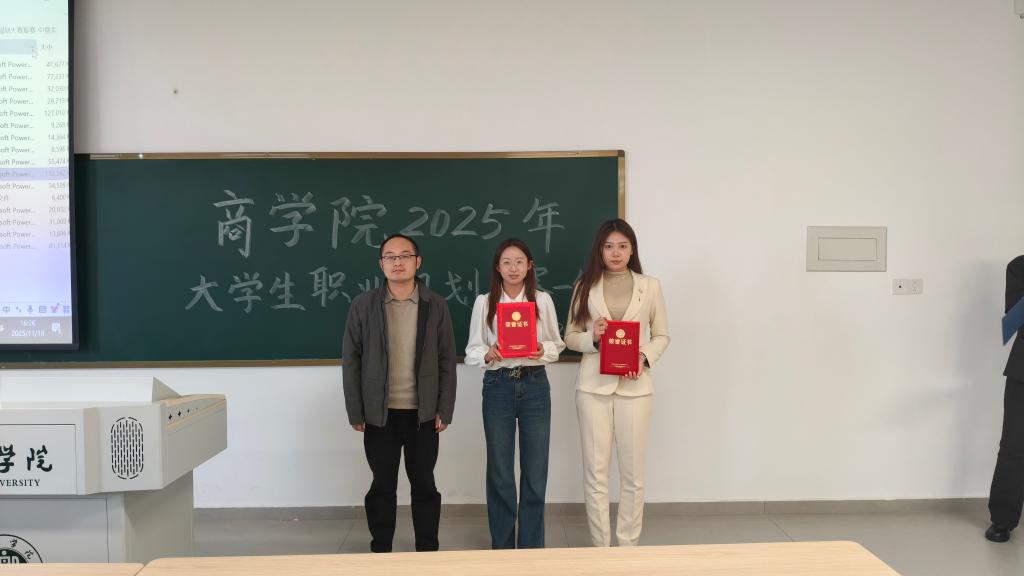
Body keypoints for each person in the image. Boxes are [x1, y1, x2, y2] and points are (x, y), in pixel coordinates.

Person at [342, 233, 457, 552]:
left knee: (424, 484)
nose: (397, 262)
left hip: (423, 413)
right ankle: (381, 548)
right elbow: (351, 361)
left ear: (417, 262)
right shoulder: (364, 305)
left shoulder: (435, 304)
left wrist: (445, 408)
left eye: (404, 256)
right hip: (379, 413)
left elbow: (447, 360)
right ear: (381, 264)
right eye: (390, 257)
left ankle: (427, 549)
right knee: (382, 484)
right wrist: (355, 411)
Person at [564, 218, 670, 547]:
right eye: (609, 246)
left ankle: (627, 547)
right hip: (593, 389)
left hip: (635, 390)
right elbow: (570, 336)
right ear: (600, 250)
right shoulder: (584, 286)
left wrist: (643, 358)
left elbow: (662, 335)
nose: (616, 252)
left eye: (623, 246)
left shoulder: (650, 286)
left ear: (632, 250)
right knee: (596, 473)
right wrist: (592, 338)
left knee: (632, 474)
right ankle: (601, 548)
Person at [465, 238, 565, 548]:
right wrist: (488, 353)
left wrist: (541, 349)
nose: (513, 268)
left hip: (535, 386)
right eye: (506, 262)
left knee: (535, 471)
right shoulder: (485, 302)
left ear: (529, 266)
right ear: (497, 267)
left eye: (519, 261)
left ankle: (532, 548)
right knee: (500, 471)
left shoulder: (542, 300)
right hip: (498, 386)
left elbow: (556, 345)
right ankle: (503, 547)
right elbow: (472, 349)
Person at [986, 255, 1024, 542]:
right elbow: (1014, 318)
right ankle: (1003, 519)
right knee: (1014, 445)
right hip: (1023, 372)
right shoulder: (1020, 266)